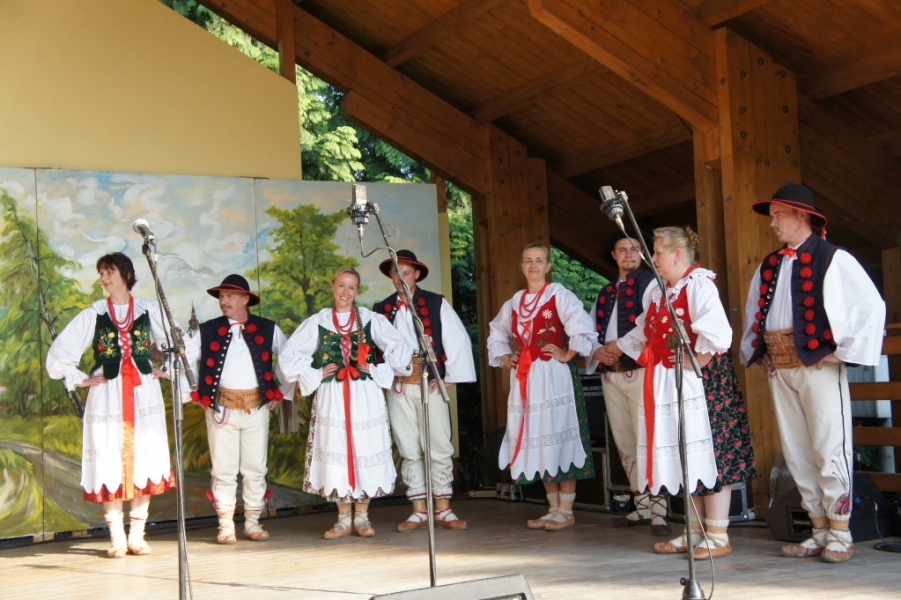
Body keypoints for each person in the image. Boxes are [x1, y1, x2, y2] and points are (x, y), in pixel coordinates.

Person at [740, 184, 885, 563]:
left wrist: (842, 352)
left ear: (801, 215)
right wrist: (759, 351)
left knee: (828, 444)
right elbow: (756, 310)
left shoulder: (832, 257)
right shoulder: (770, 264)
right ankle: (818, 529)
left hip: (817, 364)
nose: (772, 223)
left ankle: (840, 531)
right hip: (781, 366)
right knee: (796, 449)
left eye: (778, 215)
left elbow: (870, 306)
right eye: (772, 216)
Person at [605, 226, 755, 558]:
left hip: (702, 383)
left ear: (677, 254)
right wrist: (611, 348)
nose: (653, 258)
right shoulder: (659, 292)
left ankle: (717, 534)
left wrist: (696, 361)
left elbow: (718, 333)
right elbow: (643, 331)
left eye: (658, 252)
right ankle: (694, 531)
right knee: (685, 453)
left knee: (710, 453)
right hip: (669, 381)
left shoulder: (698, 284)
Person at [46, 252, 180, 558]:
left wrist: (166, 369)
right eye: (102, 274)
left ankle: (137, 536)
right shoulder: (94, 314)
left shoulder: (147, 309)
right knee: (109, 457)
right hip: (107, 393)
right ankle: (117, 537)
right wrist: (81, 379)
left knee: (144, 456)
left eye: (110, 272)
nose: (104, 279)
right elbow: (59, 354)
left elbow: (177, 345)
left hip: (143, 391)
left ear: (126, 275)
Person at [278, 267, 413, 538]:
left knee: (365, 446)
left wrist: (375, 369)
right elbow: (289, 356)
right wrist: (316, 373)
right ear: (332, 286)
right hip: (333, 394)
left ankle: (362, 517)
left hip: (364, 393)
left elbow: (401, 349)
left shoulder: (370, 319)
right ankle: (342, 518)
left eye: (351, 287)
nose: (345, 292)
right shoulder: (318, 321)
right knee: (336, 446)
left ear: (357, 291)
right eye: (341, 285)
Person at [487, 243, 597, 531]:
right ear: (522, 266)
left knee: (560, 434)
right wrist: (505, 357)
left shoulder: (558, 294)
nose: (533, 265)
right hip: (526, 376)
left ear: (548, 266)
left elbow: (582, 325)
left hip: (554, 375)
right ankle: (553, 509)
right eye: (528, 260)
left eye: (539, 260)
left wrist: (568, 354)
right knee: (540, 435)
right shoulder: (515, 302)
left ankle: (567, 511)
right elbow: (497, 331)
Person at [372, 250, 477, 531]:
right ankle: (418, 510)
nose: (400, 277)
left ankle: (443, 509)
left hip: (429, 382)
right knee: (408, 447)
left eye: (405, 272)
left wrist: (449, 378)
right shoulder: (381, 309)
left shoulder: (435, 302)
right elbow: (373, 348)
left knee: (439, 446)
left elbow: (456, 339)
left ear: (416, 274)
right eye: (395, 272)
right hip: (398, 387)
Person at [189, 274, 292, 544]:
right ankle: (225, 525)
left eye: (230, 296)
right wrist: (196, 392)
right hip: (221, 407)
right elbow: (185, 358)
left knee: (255, 467)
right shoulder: (207, 329)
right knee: (223, 469)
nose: (224, 301)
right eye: (222, 296)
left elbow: (290, 357)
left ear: (246, 299)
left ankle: (253, 523)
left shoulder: (267, 328)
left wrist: (282, 390)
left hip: (256, 407)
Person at [586, 231, 670, 536]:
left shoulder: (652, 285)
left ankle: (659, 511)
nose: (628, 254)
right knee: (624, 439)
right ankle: (641, 505)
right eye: (622, 249)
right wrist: (597, 349)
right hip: (611, 373)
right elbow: (588, 327)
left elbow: (650, 322)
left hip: (641, 370)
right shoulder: (606, 291)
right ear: (614, 255)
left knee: (649, 437)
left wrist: (619, 346)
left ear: (642, 254)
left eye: (634, 249)